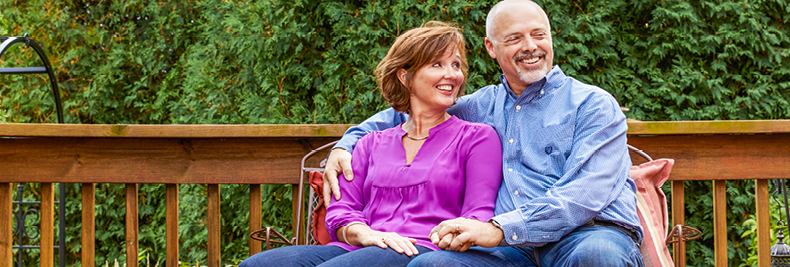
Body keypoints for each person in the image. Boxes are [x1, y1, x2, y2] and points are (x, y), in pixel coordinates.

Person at [322, 1, 645, 266]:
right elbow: (407, 111)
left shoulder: (593, 105)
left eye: (539, 35)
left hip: (585, 235)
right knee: (432, 265)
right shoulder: (480, 106)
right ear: (491, 47)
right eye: (515, 38)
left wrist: (500, 228)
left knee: (597, 256)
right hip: (510, 251)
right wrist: (345, 145)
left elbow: (584, 195)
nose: (531, 47)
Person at [239, 21, 503, 267]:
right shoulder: (370, 143)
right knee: (257, 264)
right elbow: (342, 211)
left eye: (456, 65)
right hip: (363, 246)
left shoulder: (477, 138)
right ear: (404, 76)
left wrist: (451, 236)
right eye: (437, 64)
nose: (452, 75)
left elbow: (476, 215)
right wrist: (363, 233)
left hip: (425, 252)